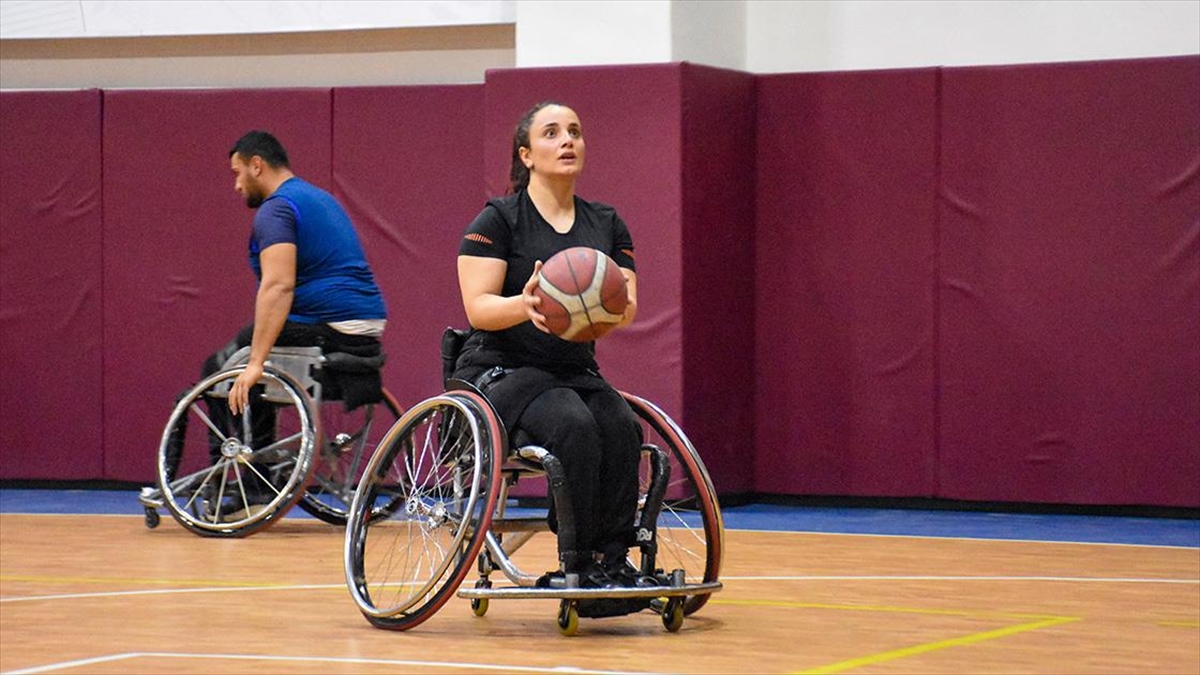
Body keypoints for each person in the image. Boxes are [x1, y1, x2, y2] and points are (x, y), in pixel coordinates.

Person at [451, 102, 651, 593]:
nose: (568, 141)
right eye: (552, 132)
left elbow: (627, 309)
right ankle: (576, 560)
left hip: (572, 369)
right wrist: (527, 303)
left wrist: (604, 299)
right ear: (526, 154)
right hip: (504, 369)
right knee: (573, 425)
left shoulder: (606, 223)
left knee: (622, 427)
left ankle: (614, 558)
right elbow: (478, 309)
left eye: (576, 132)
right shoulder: (498, 220)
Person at [196, 130, 388, 502]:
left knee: (220, 368)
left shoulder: (278, 208)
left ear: (257, 165)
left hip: (329, 324)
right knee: (256, 349)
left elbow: (278, 286)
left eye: (238, 173)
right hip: (365, 324)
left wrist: (254, 363)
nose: (236, 185)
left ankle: (251, 482)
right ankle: (257, 474)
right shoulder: (320, 197)